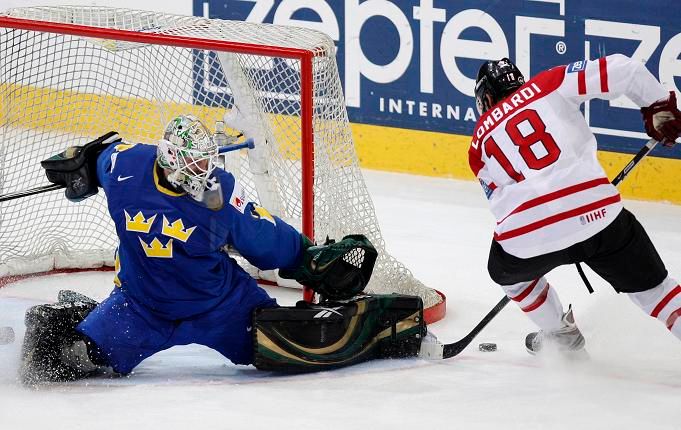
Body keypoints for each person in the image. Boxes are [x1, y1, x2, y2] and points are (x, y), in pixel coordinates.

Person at [20, 115, 385, 384]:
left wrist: (303, 257)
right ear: (170, 158)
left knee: (289, 346)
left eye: (206, 160)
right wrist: (80, 164)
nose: (204, 169)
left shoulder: (219, 194)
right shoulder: (124, 166)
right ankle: (82, 314)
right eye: (195, 162)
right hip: (141, 306)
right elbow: (99, 157)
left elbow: (261, 235)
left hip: (220, 306)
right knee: (66, 359)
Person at [469, 55, 681, 355]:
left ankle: (560, 334)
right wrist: (659, 105)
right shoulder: (548, 84)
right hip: (598, 216)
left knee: (507, 275)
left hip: (531, 235)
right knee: (659, 294)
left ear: (486, 98)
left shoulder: (477, 143)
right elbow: (625, 69)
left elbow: (503, 206)